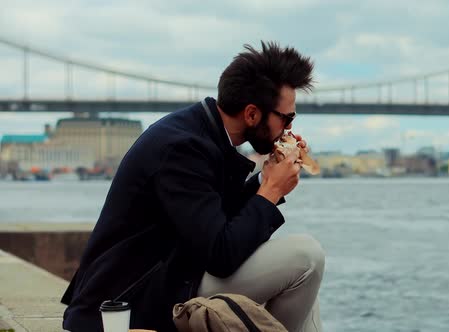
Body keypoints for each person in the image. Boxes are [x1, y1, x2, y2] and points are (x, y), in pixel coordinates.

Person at [61, 41, 325, 332]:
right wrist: (272, 191)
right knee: (307, 257)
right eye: (286, 118)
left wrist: (266, 179)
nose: (288, 129)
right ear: (251, 114)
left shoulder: (201, 134)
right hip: (132, 302)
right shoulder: (181, 148)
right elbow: (221, 254)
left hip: (175, 276)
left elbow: (216, 225)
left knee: (304, 281)